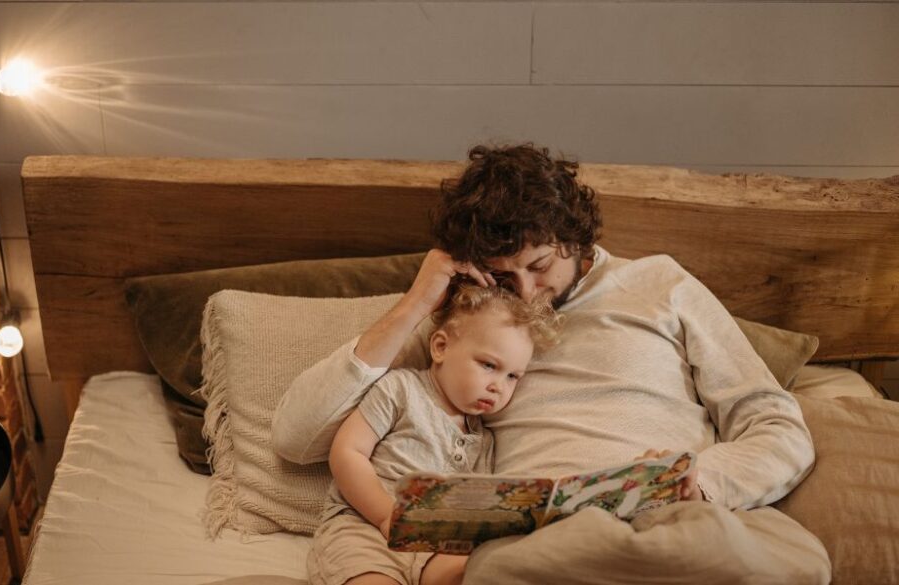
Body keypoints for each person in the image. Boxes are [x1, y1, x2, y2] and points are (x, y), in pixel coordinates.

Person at [275, 144, 830, 584]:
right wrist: (418, 301)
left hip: (671, 511)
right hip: (538, 535)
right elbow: (296, 437)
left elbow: (777, 426)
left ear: (574, 234)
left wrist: (703, 481)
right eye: (504, 277)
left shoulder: (662, 283)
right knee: (504, 567)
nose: (527, 295)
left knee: (798, 560)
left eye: (539, 266)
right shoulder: (474, 320)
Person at [308, 284, 562, 585]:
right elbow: (348, 452)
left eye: (512, 376)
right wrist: (384, 515)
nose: (499, 386)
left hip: (437, 542)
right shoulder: (400, 389)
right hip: (364, 527)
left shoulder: (484, 438)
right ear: (440, 347)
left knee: (476, 568)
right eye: (489, 365)